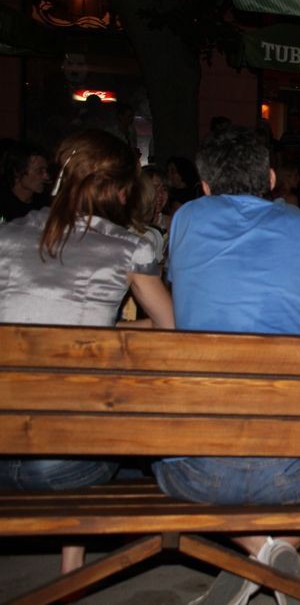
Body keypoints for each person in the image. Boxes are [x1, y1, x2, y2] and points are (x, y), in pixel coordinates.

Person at [154, 126, 300, 604]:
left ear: (204, 186)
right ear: (270, 179)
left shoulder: (186, 219)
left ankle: (255, 553)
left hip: (199, 470)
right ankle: (274, 553)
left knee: (162, 458)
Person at [0, 129, 174, 572]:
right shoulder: (128, 247)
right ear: (118, 190)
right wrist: (106, 330)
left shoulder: (7, 235)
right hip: (64, 466)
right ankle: (71, 569)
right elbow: (172, 328)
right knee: (105, 433)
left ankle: (71, 567)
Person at [0, 142, 50, 222]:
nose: (46, 177)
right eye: (39, 171)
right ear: (17, 171)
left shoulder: (45, 204)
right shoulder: (3, 205)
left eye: (46, 170)